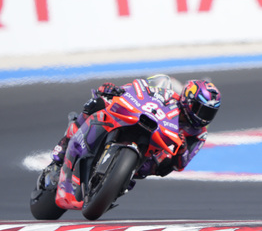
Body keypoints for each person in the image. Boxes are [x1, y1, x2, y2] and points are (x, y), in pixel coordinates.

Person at [41, 74, 221, 183]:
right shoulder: (169, 94)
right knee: (98, 103)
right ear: (188, 100)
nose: (203, 117)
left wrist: (180, 150)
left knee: (163, 166)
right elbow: (140, 88)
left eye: (209, 113)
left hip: (154, 152)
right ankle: (64, 146)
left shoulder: (199, 134)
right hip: (138, 118)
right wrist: (116, 90)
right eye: (201, 110)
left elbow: (182, 164)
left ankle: (119, 181)